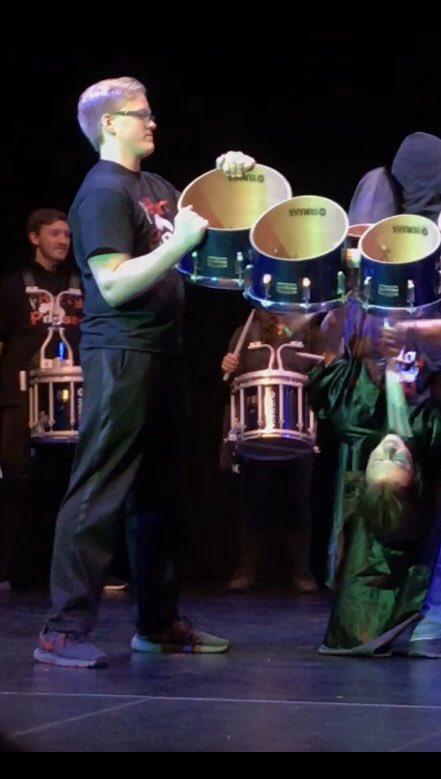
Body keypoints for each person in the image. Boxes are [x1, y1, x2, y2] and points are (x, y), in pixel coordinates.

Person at [33, 76, 255, 668]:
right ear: (109, 123)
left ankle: (156, 623)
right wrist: (177, 245)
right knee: (100, 489)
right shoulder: (102, 191)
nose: (152, 121)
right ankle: (61, 630)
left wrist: (236, 177)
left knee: (158, 495)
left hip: (164, 352)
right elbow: (113, 282)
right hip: (122, 352)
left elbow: (216, 234)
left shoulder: (154, 186)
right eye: (140, 114)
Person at [306, 303, 441, 657]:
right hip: (430, 312)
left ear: (363, 474)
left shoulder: (352, 416)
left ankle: (431, 624)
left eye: (380, 460)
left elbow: (327, 336)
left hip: (371, 300)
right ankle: (432, 627)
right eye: (398, 459)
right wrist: (411, 333)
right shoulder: (434, 428)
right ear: (413, 471)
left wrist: (344, 305)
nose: (389, 448)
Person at [0, 209, 81, 590]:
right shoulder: (14, 286)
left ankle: (81, 568)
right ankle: (9, 567)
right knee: (17, 480)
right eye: (55, 234)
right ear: (34, 238)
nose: (63, 241)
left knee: (75, 482)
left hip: (73, 395)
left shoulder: (82, 284)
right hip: (20, 392)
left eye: (67, 235)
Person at [220, 308, 321, 594]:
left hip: (298, 429)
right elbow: (230, 383)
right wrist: (227, 367)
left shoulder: (308, 332)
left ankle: (301, 571)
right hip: (257, 430)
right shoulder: (246, 331)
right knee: (253, 502)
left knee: (299, 503)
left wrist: (326, 365)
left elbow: (321, 376)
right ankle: (247, 570)